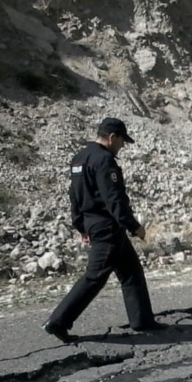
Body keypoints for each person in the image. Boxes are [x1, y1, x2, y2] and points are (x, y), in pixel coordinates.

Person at [42, 118, 163, 343]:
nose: (122, 146)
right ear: (112, 137)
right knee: (95, 276)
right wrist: (134, 227)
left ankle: (142, 320)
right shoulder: (104, 160)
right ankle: (57, 322)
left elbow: (74, 196)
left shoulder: (79, 158)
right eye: (122, 141)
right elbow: (114, 199)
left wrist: (80, 225)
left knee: (132, 273)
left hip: (95, 223)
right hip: (107, 227)